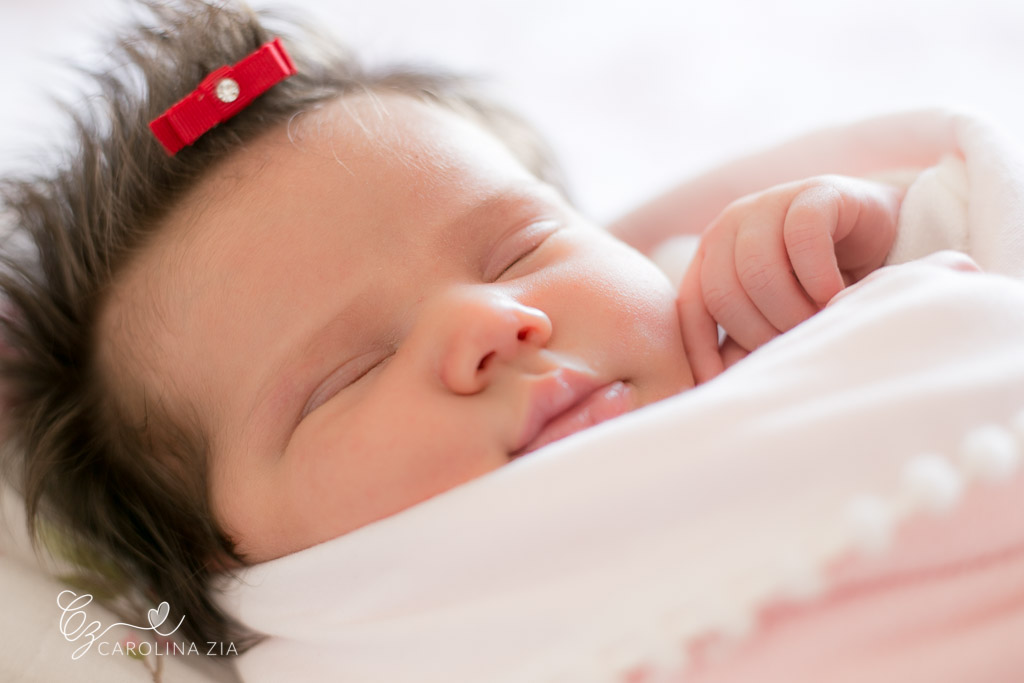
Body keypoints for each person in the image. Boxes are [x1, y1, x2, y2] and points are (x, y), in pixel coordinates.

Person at [0, 0, 909, 657]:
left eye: (521, 251)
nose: (491, 319)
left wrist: (870, 240)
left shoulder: (767, 326)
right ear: (232, 557)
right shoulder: (340, 645)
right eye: (351, 371)